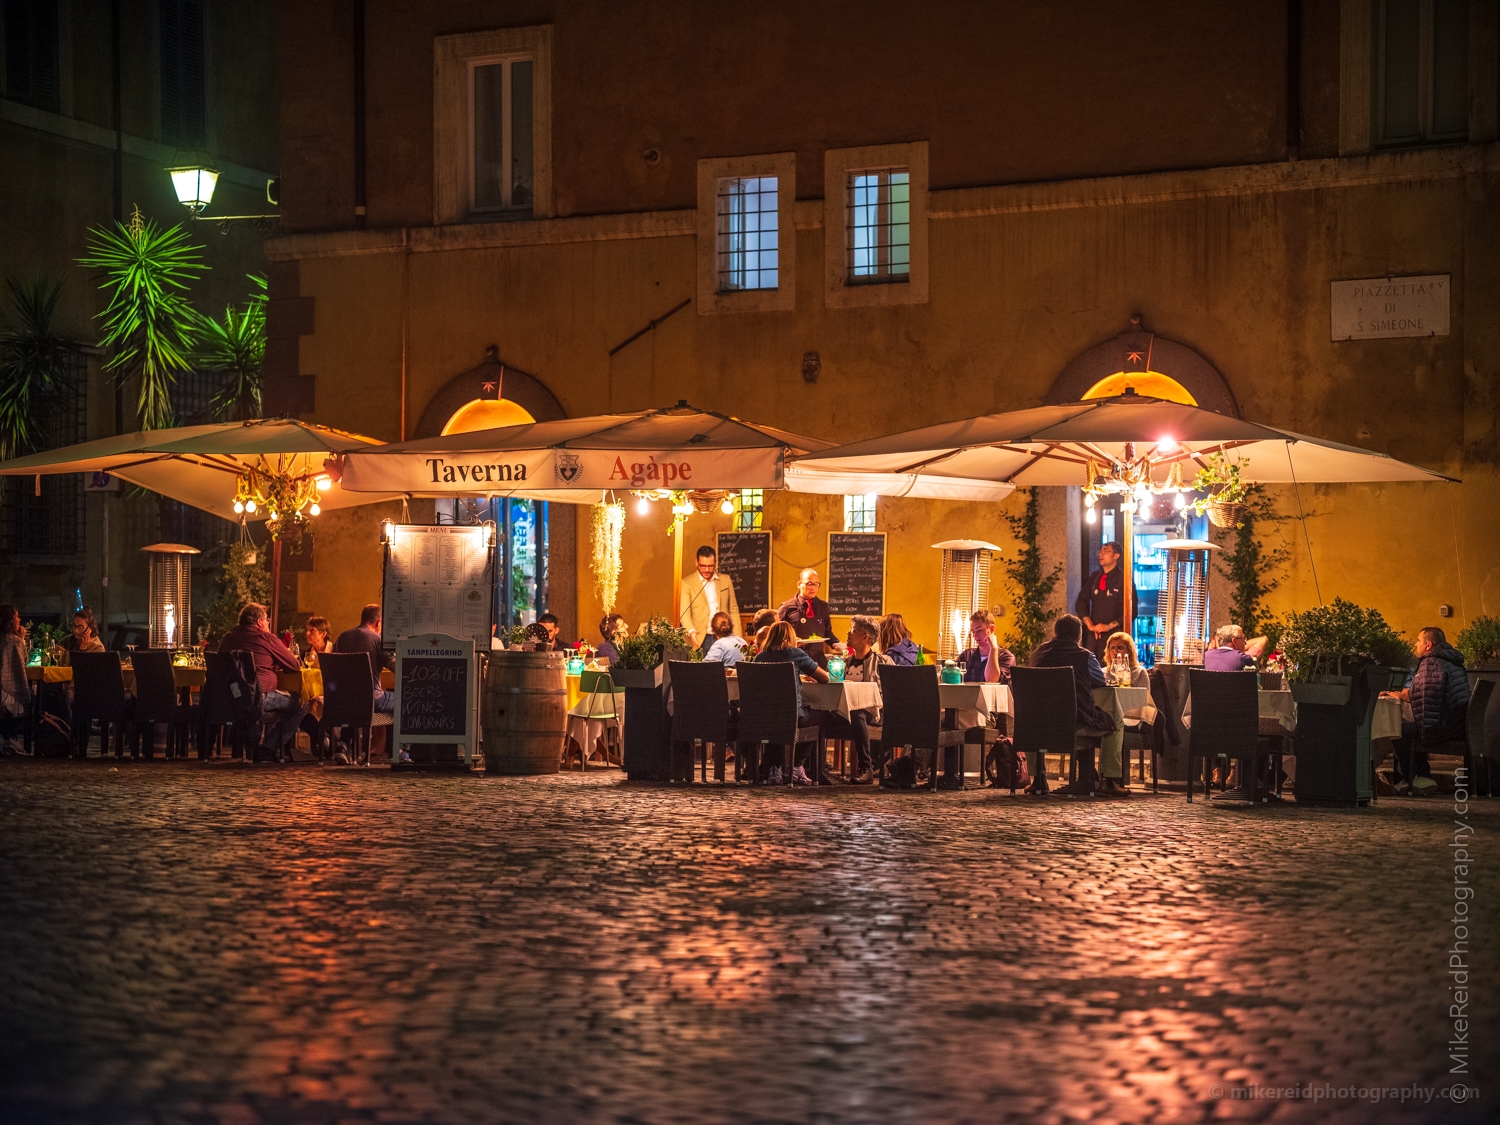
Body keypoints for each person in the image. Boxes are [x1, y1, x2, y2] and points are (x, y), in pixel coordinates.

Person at [1028, 614, 1117, 795]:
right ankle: (1109, 781)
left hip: (1038, 727)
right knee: (1116, 722)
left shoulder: (1038, 653)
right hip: (1074, 724)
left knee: (1035, 720)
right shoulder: (1084, 656)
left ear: (1055, 633)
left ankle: (1038, 778)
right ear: (1079, 636)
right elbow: (1100, 680)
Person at [1383, 626, 1470, 794]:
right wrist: (1399, 695)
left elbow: (1428, 699)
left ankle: (1413, 778)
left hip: (1444, 726)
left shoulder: (1431, 664)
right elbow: (1423, 693)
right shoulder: (1451, 661)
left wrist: (1426, 732)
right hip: (1455, 722)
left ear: (1428, 644)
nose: (1415, 644)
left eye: (1418, 640)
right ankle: (1422, 776)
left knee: (1398, 730)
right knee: (1412, 727)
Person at [218, 602, 306, 759]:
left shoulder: (227, 638)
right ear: (259, 622)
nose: (268, 623)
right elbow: (294, 666)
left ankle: (256, 746)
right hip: (257, 698)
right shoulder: (266, 638)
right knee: (301, 703)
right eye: (267, 620)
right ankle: (268, 748)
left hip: (228, 698)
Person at [752, 620, 829, 784]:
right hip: (792, 717)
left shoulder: (759, 657)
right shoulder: (795, 654)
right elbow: (824, 678)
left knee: (777, 719)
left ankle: (774, 768)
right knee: (821, 713)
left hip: (763, 718)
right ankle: (796, 766)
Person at [821, 616, 888, 784]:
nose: (847, 634)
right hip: (845, 712)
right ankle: (816, 768)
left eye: (852, 631)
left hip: (876, 714)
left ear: (865, 636)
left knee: (858, 713)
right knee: (818, 715)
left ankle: (866, 768)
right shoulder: (844, 663)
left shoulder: (883, 662)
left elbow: (890, 694)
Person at [1075, 542, 1137, 659]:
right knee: (1091, 669)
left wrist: (1108, 626)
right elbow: (1080, 602)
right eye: (1101, 551)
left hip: (1115, 638)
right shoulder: (1095, 577)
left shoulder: (1124, 578)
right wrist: (1090, 625)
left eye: (1106, 551)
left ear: (1116, 556)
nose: (1101, 554)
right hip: (1094, 637)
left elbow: (1132, 611)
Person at [334, 604, 396, 713]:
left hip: (343, 701)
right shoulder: (377, 640)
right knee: (407, 699)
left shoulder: (341, 637)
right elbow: (397, 668)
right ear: (378, 622)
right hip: (372, 702)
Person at [679, 545, 740, 649]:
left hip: (724, 637)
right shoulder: (687, 583)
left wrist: (738, 639)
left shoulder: (726, 580)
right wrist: (691, 631)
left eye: (710, 566)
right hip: (700, 638)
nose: (707, 570)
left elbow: (733, 610)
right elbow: (684, 613)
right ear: (696, 562)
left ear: (715, 563)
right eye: (703, 566)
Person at [0, 605, 31, 755]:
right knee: (31, 698)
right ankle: (11, 738)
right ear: (9, 621)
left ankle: (5, 738)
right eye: (16, 617)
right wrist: (22, 639)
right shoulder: (15, 641)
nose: (19, 619)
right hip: (8, 690)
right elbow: (24, 663)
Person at [956, 609, 1014, 683]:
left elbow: (991, 680)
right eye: (973, 631)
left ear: (992, 629)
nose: (975, 635)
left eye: (979, 630)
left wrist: (993, 649)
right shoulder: (966, 656)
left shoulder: (1006, 658)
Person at [1202, 624, 1267, 671]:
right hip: (1234, 690)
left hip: (1208, 690)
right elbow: (1255, 675)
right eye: (1243, 639)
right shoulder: (1242, 658)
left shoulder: (1206, 656)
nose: (1245, 643)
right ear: (1234, 642)